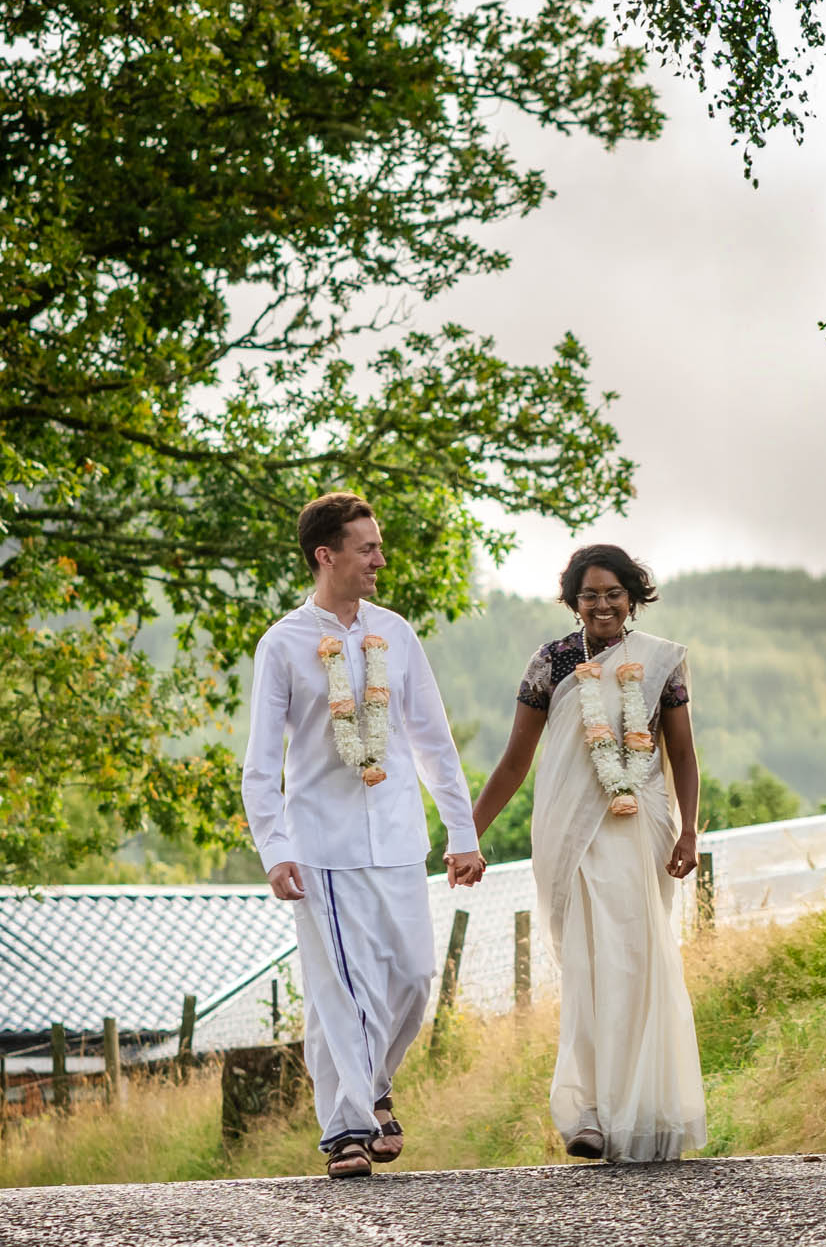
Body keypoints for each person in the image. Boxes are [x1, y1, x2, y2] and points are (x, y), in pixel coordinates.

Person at [242, 492, 485, 1178]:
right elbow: (260, 765)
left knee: (411, 977)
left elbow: (434, 741)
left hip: (400, 838)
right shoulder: (284, 643)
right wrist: (274, 848)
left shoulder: (396, 634)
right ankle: (348, 1129)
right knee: (345, 988)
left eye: (378, 546)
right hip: (324, 845)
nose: (380, 559)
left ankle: (374, 1084)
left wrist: (461, 832)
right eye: (367, 547)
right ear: (328, 555)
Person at [471, 545, 706, 1162]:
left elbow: (681, 754)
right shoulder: (551, 663)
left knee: (636, 961)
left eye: (613, 593)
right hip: (569, 831)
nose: (601, 605)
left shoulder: (661, 663)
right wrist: (469, 832)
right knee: (586, 964)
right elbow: (517, 759)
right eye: (589, 595)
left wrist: (690, 832)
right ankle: (590, 1113)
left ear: (633, 597)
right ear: (573, 601)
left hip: (641, 830)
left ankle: (648, 1111)